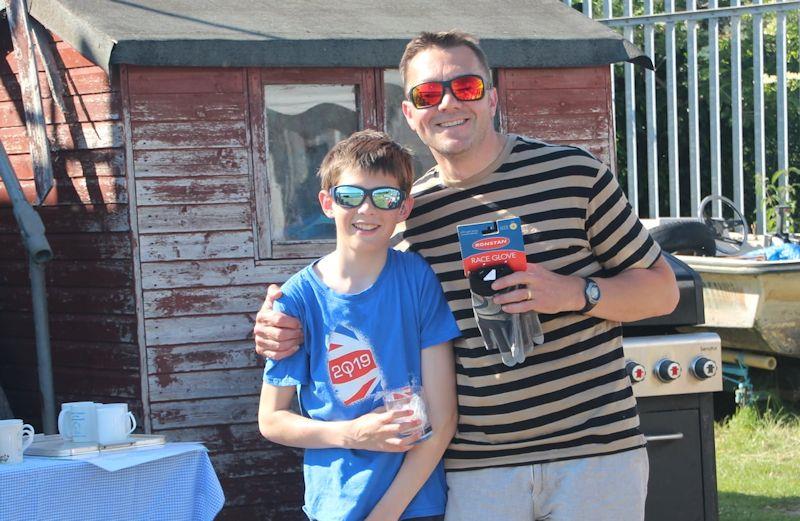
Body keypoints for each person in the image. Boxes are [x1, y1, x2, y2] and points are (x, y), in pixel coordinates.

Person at [255, 31, 679, 521]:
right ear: (411, 113)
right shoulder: (407, 215)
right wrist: (280, 325)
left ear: (492, 97)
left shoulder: (574, 174)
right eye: (428, 94)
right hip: (477, 471)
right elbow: (356, 292)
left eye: (467, 87)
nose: (449, 102)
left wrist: (572, 292)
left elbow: (662, 291)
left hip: (596, 454)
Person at [258, 129, 461, 521]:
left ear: (403, 208)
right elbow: (271, 419)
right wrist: (351, 434)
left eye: (384, 198)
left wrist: (385, 513)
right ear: (327, 203)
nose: (367, 210)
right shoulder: (296, 298)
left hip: (414, 504)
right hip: (334, 505)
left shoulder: (417, 280)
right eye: (351, 196)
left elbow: (443, 417)